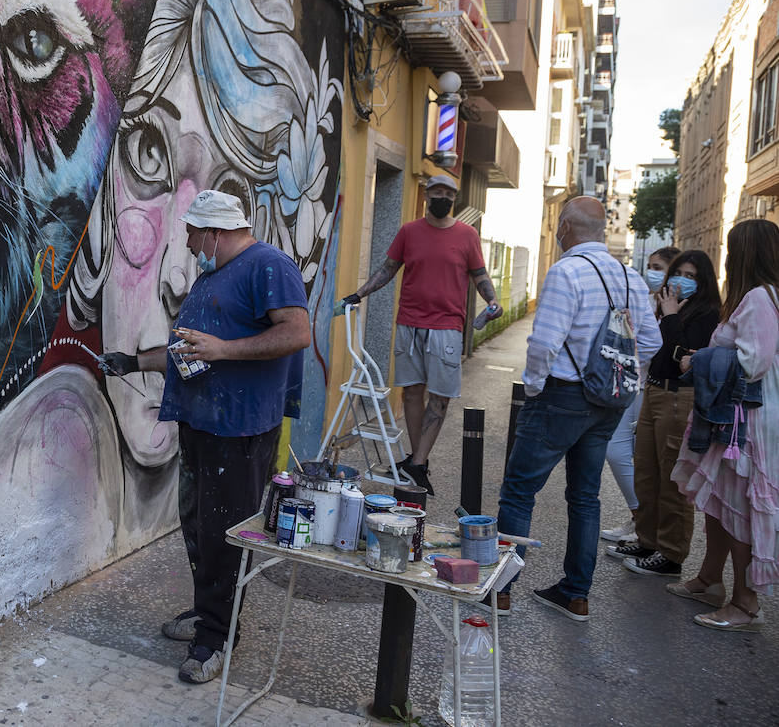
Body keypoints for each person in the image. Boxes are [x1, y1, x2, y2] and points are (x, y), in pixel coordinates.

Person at [100, 189, 310, 684]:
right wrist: (135, 363)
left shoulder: (269, 266)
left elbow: (297, 333)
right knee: (197, 524)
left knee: (224, 534)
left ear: (215, 232)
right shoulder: (214, 274)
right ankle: (209, 612)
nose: (190, 242)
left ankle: (216, 637)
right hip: (201, 425)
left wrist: (225, 349)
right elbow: (191, 351)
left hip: (239, 430)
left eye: (194, 234)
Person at [495, 196, 661, 620]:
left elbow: (545, 343)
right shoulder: (630, 277)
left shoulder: (566, 271)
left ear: (566, 227)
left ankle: (500, 591)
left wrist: (534, 390)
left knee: (519, 491)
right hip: (608, 402)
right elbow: (652, 343)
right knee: (585, 497)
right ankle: (576, 595)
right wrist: (625, 383)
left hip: (561, 396)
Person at [341, 174, 501, 495]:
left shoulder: (468, 235)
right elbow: (388, 269)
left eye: (448, 193)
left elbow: (479, 274)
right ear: (426, 195)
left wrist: (492, 299)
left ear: (454, 198)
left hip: (447, 328)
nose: (441, 197)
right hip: (409, 324)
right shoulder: (409, 232)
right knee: (412, 393)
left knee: (439, 397)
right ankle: (419, 462)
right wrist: (358, 294)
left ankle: (417, 461)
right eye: (436, 192)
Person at [668, 219, 779, 631]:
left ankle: (745, 604)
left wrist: (698, 361)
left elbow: (752, 363)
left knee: (738, 512)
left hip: (745, 427)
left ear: (746, 254)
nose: (728, 258)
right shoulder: (757, 298)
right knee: (719, 505)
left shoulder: (760, 299)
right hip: (734, 420)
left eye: (732, 250)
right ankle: (710, 580)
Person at [610, 250, 720, 576]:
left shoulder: (707, 312)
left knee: (672, 478)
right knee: (646, 472)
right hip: (654, 390)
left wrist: (670, 316)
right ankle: (647, 539)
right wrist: (662, 313)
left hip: (679, 396)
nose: (680, 280)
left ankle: (671, 555)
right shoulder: (662, 304)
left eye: (690, 276)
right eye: (679, 273)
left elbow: (681, 356)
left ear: (702, 282)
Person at [600, 246, 680, 543]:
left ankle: (647, 522)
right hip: (635, 384)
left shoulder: (680, 307)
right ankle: (639, 515)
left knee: (649, 461)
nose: (653, 272)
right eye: (651, 266)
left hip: (656, 389)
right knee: (616, 449)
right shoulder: (646, 300)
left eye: (659, 267)